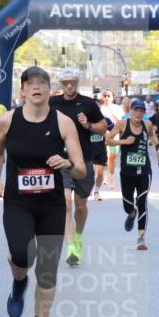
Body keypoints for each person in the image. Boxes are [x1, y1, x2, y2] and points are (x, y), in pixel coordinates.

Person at [0, 66, 86, 317]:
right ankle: (19, 282)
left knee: (47, 271)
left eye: (42, 83)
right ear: (22, 91)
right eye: (30, 84)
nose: (36, 88)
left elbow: (82, 169)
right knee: (22, 255)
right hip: (18, 203)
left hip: (51, 205)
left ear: (50, 90)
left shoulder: (63, 123)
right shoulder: (7, 121)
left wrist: (68, 164)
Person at [49, 68, 107, 267]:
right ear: (61, 84)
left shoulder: (88, 103)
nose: (69, 86)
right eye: (65, 83)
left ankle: (79, 237)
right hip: (60, 159)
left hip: (84, 160)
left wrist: (88, 125)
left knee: (80, 206)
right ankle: (71, 247)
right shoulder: (52, 103)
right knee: (65, 203)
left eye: (72, 82)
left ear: (77, 82)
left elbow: (103, 127)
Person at [106, 98, 157, 250]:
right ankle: (131, 213)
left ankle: (141, 238)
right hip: (127, 172)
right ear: (130, 111)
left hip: (144, 171)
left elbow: (153, 137)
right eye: (136, 110)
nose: (139, 113)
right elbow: (108, 140)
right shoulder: (122, 124)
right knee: (128, 204)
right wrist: (123, 142)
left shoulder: (147, 124)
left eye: (141, 111)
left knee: (142, 202)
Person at [99, 91, 125, 190]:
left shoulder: (117, 108)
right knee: (105, 157)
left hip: (114, 135)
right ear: (102, 97)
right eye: (104, 96)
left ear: (112, 97)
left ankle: (110, 176)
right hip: (103, 135)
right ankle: (109, 178)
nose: (106, 97)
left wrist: (115, 116)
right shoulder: (99, 108)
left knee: (112, 157)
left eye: (108, 96)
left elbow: (122, 122)